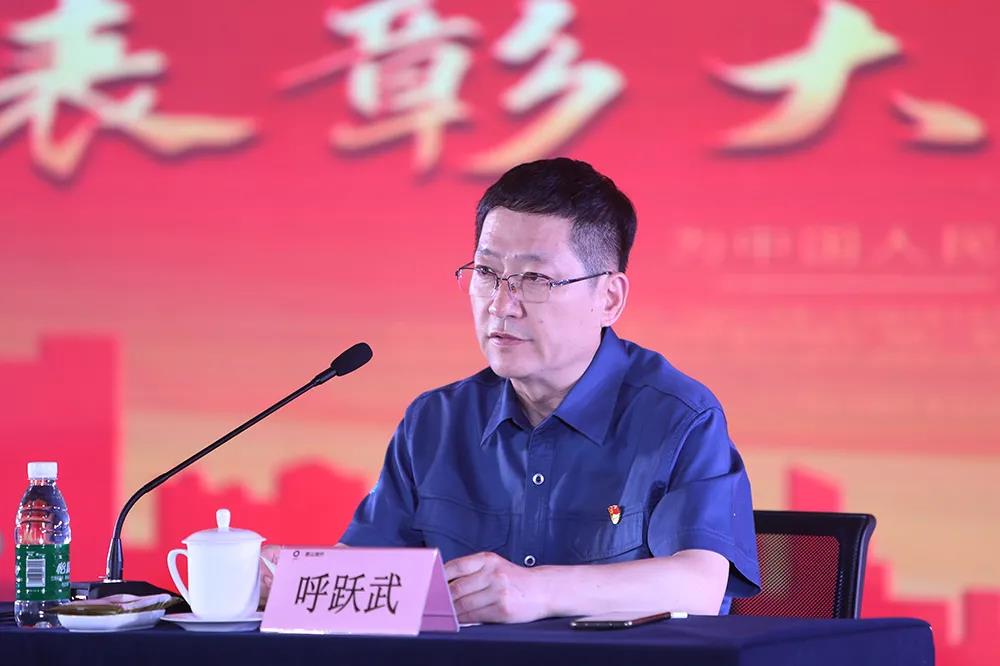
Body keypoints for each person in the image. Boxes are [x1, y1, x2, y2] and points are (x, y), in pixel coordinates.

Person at [265, 158, 760, 623]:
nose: (501, 304)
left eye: (535, 278)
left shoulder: (679, 417)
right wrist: (284, 580)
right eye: (486, 272)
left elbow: (698, 584)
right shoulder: (436, 421)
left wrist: (537, 591)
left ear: (609, 298)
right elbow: (367, 575)